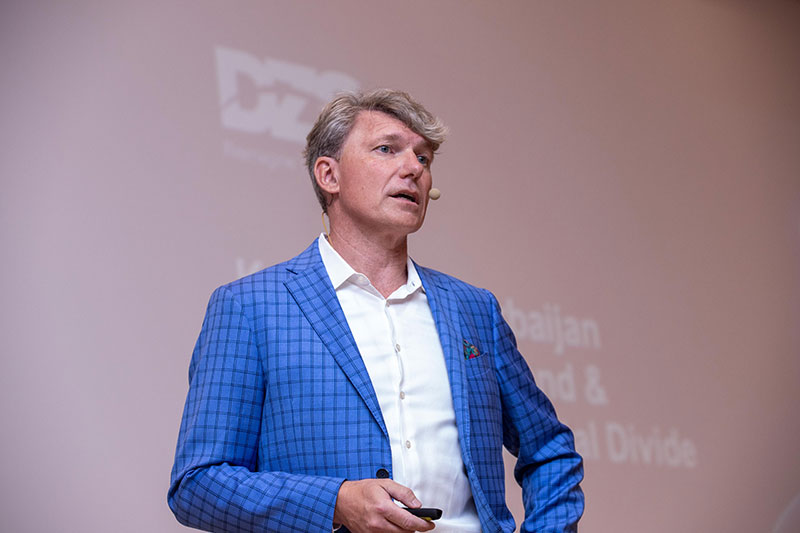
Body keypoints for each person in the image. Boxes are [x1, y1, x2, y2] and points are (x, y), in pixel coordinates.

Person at [169, 89, 584, 533]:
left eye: (423, 158)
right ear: (329, 175)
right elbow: (198, 484)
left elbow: (550, 450)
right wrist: (335, 502)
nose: (413, 169)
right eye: (387, 149)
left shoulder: (474, 309)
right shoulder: (250, 307)